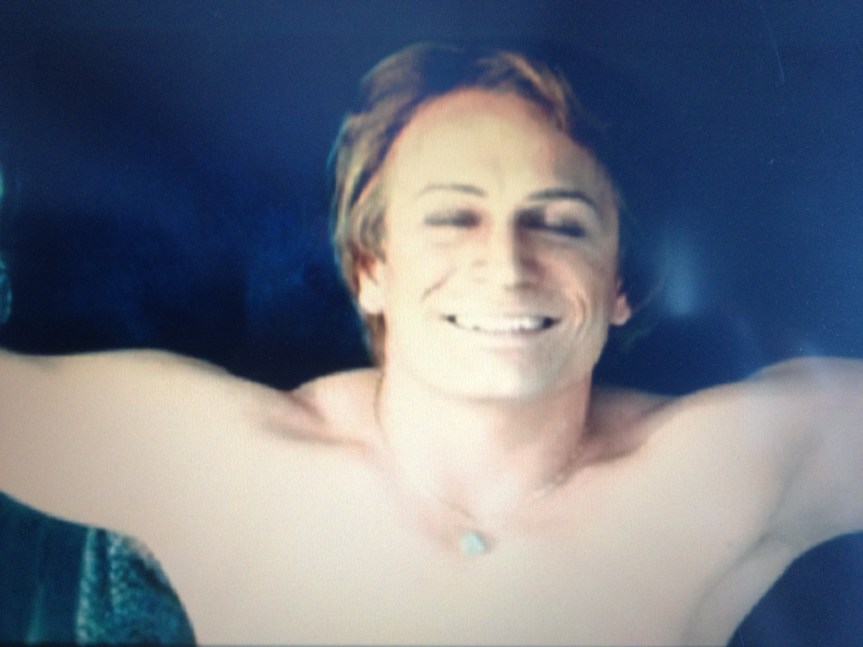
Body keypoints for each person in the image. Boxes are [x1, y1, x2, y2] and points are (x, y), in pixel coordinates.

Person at [1, 42, 861, 645]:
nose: (506, 266)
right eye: (452, 216)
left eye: (559, 223)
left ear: (620, 285)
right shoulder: (223, 461)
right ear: (369, 267)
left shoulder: (723, 468)